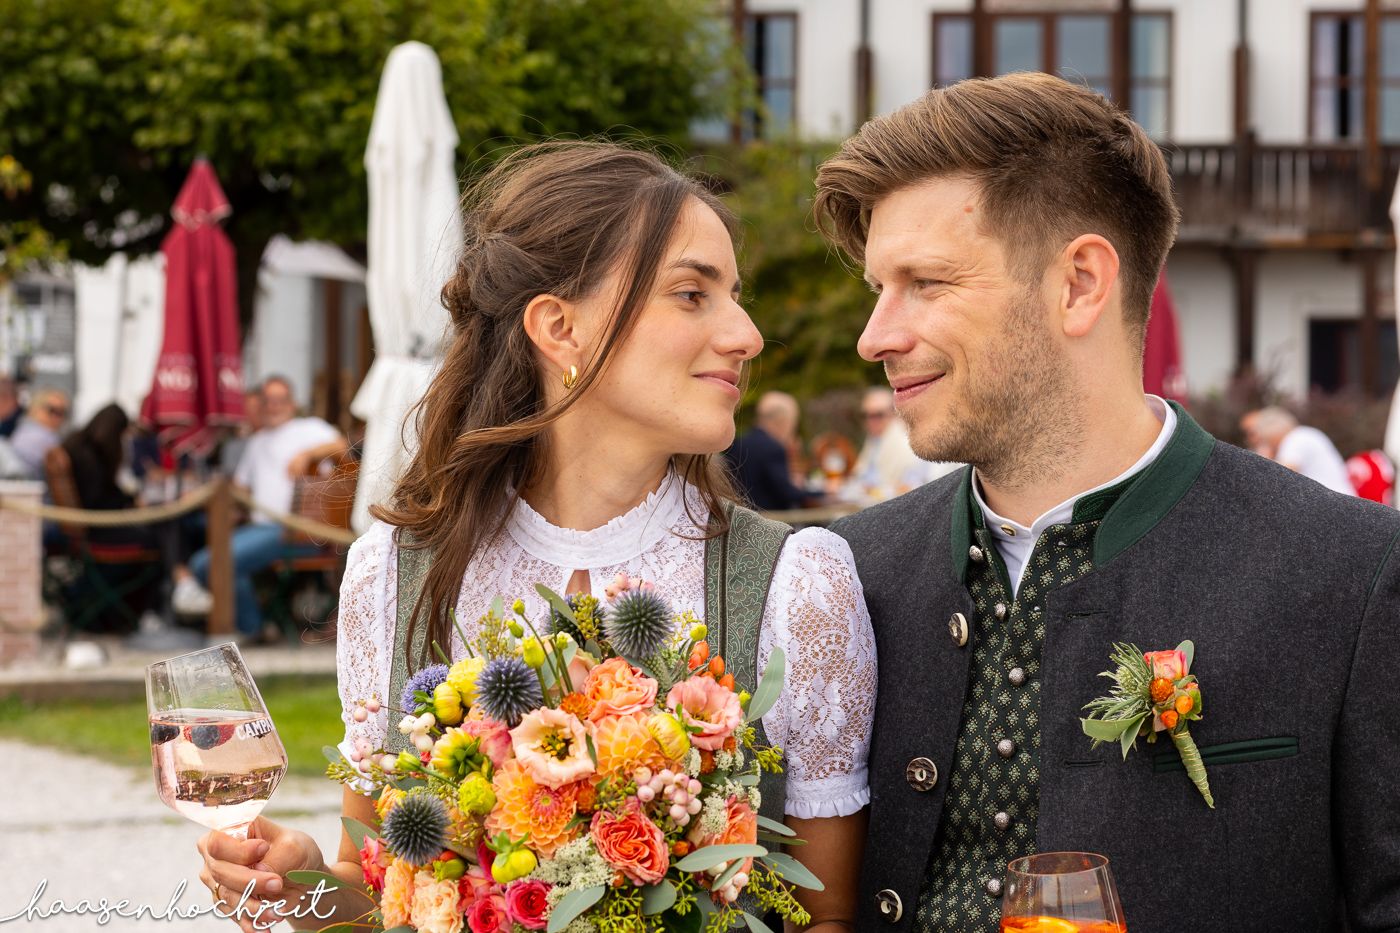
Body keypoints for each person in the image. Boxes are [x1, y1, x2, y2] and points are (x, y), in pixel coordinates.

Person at [194, 142, 874, 931]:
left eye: (734, 296)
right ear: (559, 327)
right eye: (693, 294)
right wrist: (305, 883)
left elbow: (828, 915)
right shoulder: (395, 573)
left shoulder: (798, 586)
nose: (747, 334)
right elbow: (381, 892)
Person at [814, 72, 1400, 932]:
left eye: (927, 283)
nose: (876, 336)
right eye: (878, 288)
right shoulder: (844, 573)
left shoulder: (1352, 574)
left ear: (1081, 283)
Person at [171, 376, 347, 639]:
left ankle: (249, 627)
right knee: (207, 559)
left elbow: (342, 446)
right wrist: (206, 496)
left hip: (297, 530)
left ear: (292, 404)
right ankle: (255, 626)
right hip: (260, 527)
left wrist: (307, 455)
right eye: (268, 401)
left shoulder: (309, 428)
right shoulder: (256, 442)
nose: (273, 406)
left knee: (211, 562)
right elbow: (240, 489)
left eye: (279, 400)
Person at [60, 403, 155, 548]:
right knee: (156, 535)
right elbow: (97, 501)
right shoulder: (90, 457)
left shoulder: (78, 444)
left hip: (91, 525)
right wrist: (129, 501)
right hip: (96, 528)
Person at [845, 386, 954, 503]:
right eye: (865, 415)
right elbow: (861, 476)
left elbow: (912, 485)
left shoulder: (906, 442)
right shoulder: (872, 442)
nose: (871, 421)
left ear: (893, 413)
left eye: (878, 415)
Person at [1240, 406, 1356, 496]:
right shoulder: (1305, 434)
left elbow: (1281, 474)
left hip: (1334, 504)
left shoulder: (1295, 439)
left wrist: (1264, 457)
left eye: (1265, 439)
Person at [725, 390, 810, 510]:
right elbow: (787, 494)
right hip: (771, 520)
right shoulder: (773, 448)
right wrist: (823, 493)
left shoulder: (737, 443)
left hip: (740, 518)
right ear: (782, 421)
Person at [10, 386, 69, 478]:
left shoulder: (21, 431)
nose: (57, 417)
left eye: (62, 412)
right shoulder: (45, 437)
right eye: (52, 410)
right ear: (36, 407)